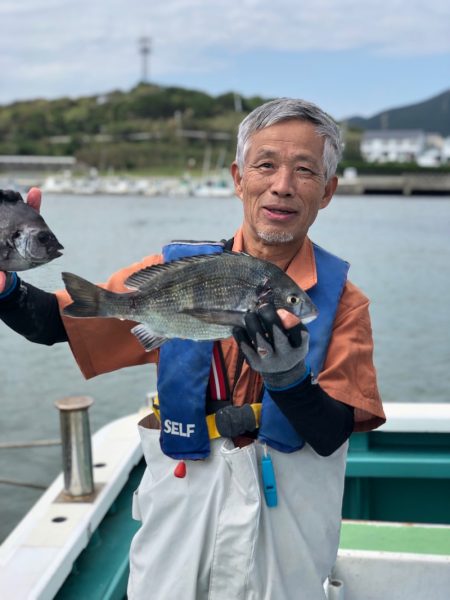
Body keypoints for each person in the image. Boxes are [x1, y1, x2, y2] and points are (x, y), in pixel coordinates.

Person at [0, 98, 385, 600]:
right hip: (183, 496)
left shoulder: (344, 303)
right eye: (265, 165)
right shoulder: (178, 270)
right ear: (237, 177)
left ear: (328, 190)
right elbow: (59, 320)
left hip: (288, 512)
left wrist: (289, 380)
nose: (282, 185)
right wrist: (6, 284)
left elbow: (333, 431)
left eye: (305, 171)